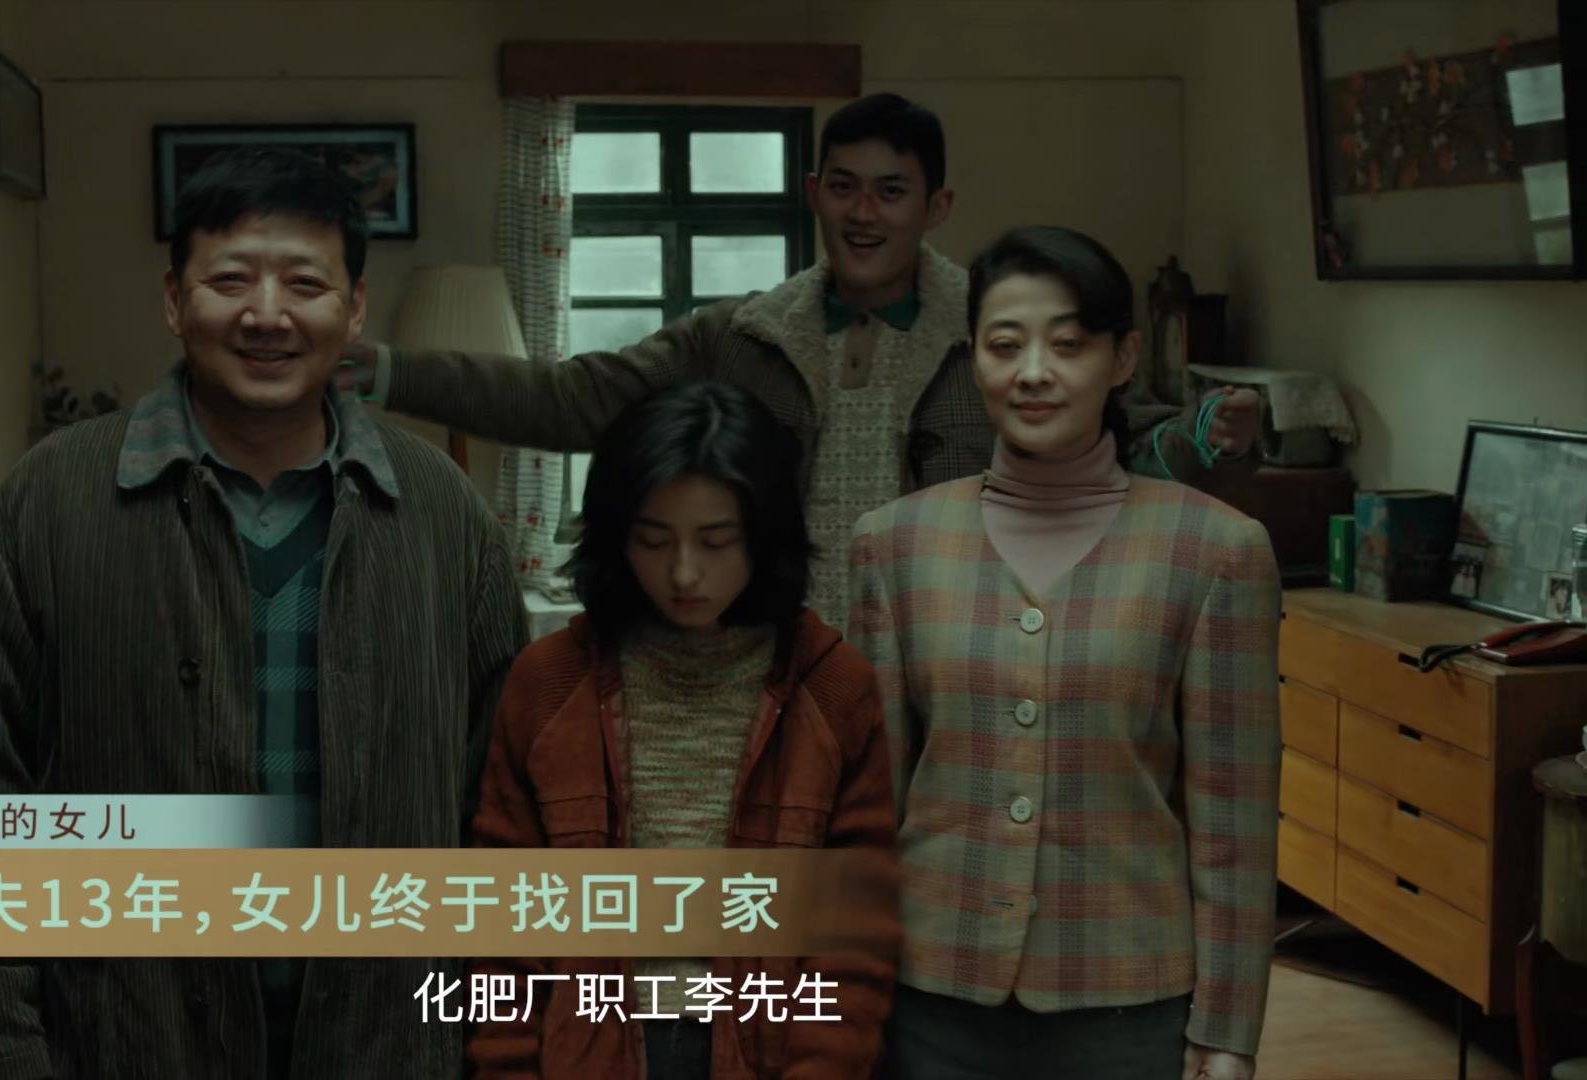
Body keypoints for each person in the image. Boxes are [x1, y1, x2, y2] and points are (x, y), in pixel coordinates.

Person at [0, 147, 529, 1079]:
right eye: (231, 279)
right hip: (123, 1044)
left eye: (305, 284)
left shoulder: (442, 514)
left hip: (389, 1042)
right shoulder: (51, 502)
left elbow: (504, 820)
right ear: (175, 300)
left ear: (354, 308)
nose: (267, 314)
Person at [337, 93, 1263, 626]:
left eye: (892, 192)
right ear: (815, 194)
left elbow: (1120, 439)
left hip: (958, 659)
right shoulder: (738, 336)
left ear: (936, 206)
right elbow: (572, 397)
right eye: (846, 188)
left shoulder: (994, 333)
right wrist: (384, 368)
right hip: (774, 664)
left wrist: (1206, 435)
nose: (865, 214)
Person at [848, 226, 1280, 1080]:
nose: (1034, 372)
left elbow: (1234, 820)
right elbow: (871, 803)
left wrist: (1228, 1029)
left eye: (1069, 344)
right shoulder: (894, 544)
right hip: (930, 992)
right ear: (974, 358)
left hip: (1127, 998)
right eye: (1005, 345)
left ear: (1123, 359)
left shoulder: (1215, 550)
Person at [467, 381, 900, 1078]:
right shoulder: (549, 683)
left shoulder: (832, 686)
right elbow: (504, 924)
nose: (684, 573)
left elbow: (855, 935)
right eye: (653, 539)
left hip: (766, 1048)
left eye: (717, 541)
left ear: (764, 537)